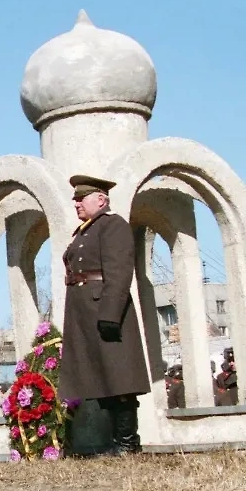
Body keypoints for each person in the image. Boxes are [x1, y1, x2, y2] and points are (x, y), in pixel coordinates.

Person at [58, 175, 151, 455]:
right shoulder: (84, 231)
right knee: (101, 377)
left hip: (104, 310)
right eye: (74, 198)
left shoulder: (112, 225)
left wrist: (110, 313)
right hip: (84, 313)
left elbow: (120, 271)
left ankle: (127, 443)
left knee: (119, 378)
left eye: (81, 198)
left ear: (101, 198)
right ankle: (117, 442)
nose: (76, 203)